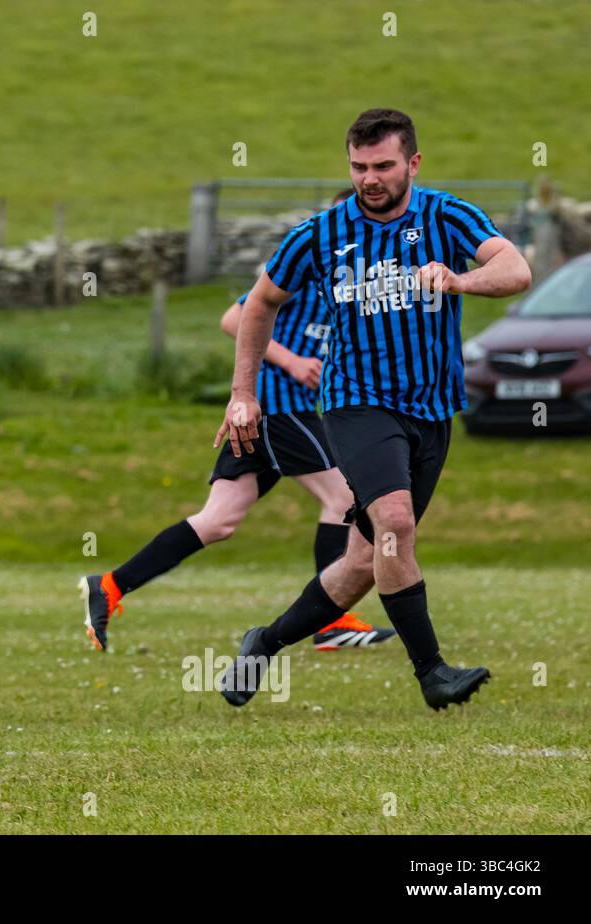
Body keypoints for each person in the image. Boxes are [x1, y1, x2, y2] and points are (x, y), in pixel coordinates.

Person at [214, 108, 531, 710]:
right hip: (355, 405)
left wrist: (459, 281)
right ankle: (433, 673)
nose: (370, 178)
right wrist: (243, 394)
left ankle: (264, 641)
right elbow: (257, 306)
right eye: (359, 167)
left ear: (412, 163)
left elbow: (515, 269)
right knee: (396, 523)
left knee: (366, 558)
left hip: (432, 410)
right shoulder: (320, 234)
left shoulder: (447, 215)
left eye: (383, 165)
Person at [80, 196, 395, 654]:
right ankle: (333, 620)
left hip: (276, 413)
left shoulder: (361, 278)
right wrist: (291, 362)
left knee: (217, 522)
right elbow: (234, 318)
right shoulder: (309, 263)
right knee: (344, 498)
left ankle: (108, 585)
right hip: (278, 407)